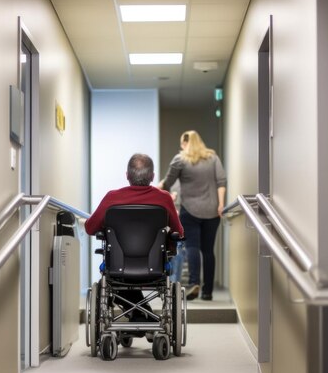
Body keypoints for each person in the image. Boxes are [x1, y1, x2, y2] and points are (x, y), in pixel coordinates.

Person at [85, 153, 184, 320]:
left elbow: (89, 228)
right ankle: (144, 315)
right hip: (155, 266)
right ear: (152, 177)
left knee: (113, 277)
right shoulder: (164, 198)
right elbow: (179, 232)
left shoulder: (112, 198)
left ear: (127, 176)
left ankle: (141, 314)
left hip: (118, 267)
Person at [159, 130, 226, 300]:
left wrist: (156, 188)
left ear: (184, 143)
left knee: (192, 247)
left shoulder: (180, 159)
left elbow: (168, 182)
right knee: (208, 250)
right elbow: (221, 182)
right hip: (212, 211)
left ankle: (194, 282)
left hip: (189, 210)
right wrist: (220, 204)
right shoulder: (213, 158)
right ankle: (208, 291)